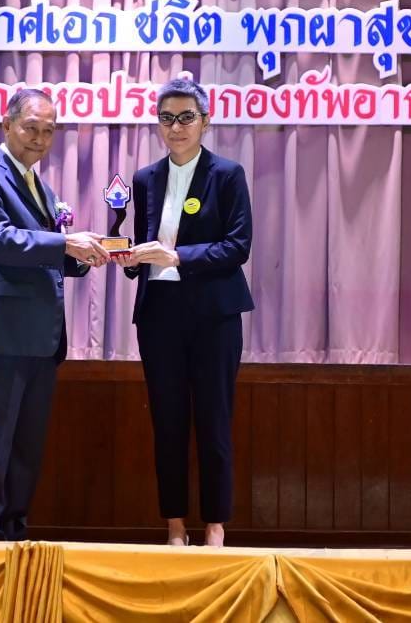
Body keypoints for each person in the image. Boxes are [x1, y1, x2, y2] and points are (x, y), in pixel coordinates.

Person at [0, 88, 109, 540]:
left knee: (24, 452)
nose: (40, 139)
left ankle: (14, 536)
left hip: (40, 340)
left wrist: (86, 255)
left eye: (49, 131)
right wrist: (65, 243)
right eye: (31, 128)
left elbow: (43, 255)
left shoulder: (41, 186)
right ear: (7, 125)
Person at [117, 79, 254, 548]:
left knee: (214, 420)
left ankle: (215, 525)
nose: (175, 128)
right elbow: (144, 243)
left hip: (214, 315)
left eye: (186, 118)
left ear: (205, 122)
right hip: (159, 315)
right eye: (167, 118)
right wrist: (128, 258)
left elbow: (238, 246)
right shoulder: (144, 178)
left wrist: (178, 257)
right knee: (168, 421)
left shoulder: (227, 174)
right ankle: (174, 525)